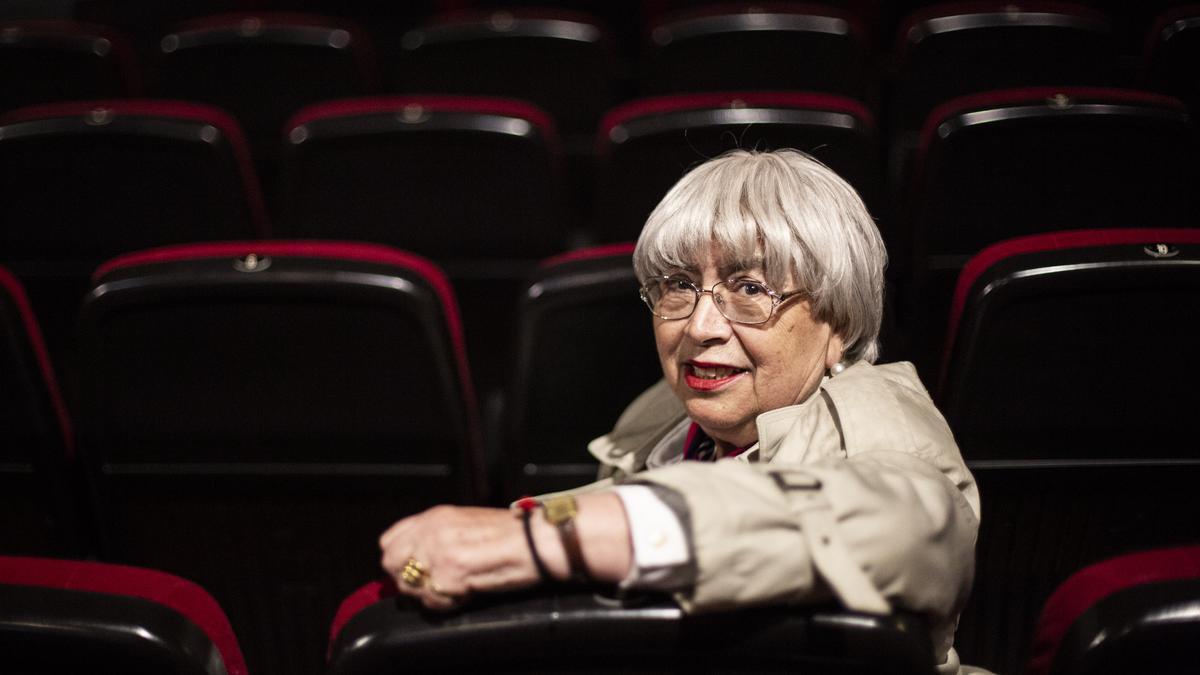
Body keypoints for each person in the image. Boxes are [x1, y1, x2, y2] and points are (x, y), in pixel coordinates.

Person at [379, 149, 981, 674]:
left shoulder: (881, 412)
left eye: (750, 289)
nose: (699, 326)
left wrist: (540, 542)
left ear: (839, 323)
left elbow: (911, 526)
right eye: (678, 285)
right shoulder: (664, 414)